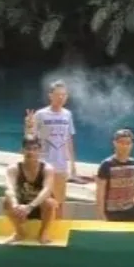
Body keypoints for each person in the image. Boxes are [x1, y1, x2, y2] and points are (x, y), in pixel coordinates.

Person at [26, 80, 76, 218]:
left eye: (64, 95)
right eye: (58, 95)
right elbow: (30, 139)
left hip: (61, 165)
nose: (61, 98)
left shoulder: (67, 114)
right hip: (43, 164)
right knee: (43, 200)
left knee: (60, 202)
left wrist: (72, 165)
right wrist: (28, 126)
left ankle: (58, 228)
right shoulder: (41, 114)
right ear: (50, 95)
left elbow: (68, 139)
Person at [2, 135, 57, 244]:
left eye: (34, 149)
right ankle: (19, 233)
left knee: (50, 202)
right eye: (27, 149)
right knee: (5, 201)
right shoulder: (13, 168)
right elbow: (9, 188)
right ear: (21, 150)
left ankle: (43, 232)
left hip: (40, 208)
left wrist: (30, 207)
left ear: (39, 151)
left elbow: (47, 190)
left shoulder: (47, 169)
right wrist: (15, 205)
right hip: (21, 208)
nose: (30, 152)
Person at [95, 129, 134, 222]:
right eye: (121, 143)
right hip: (112, 212)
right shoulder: (106, 165)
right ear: (115, 143)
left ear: (132, 145)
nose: (125, 146)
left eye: (128, 143)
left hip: (130, 209)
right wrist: (102, 217)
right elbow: (100, 194)